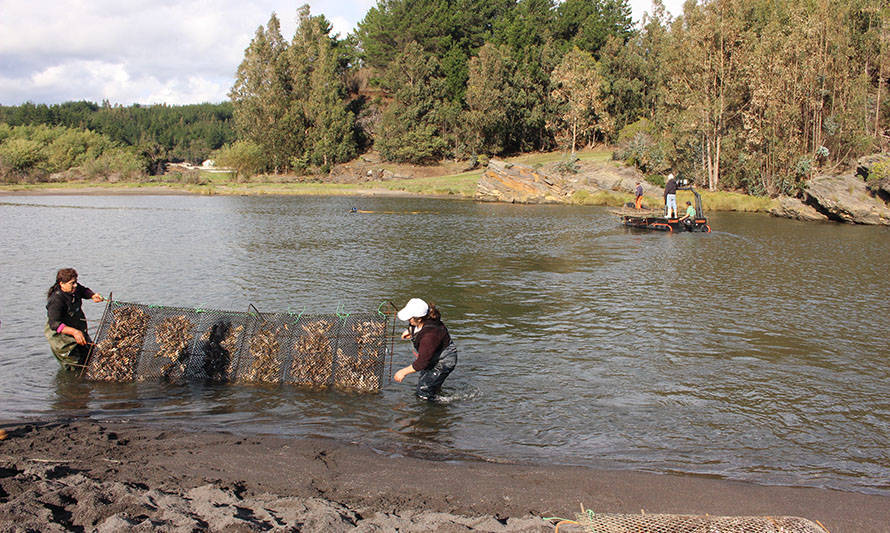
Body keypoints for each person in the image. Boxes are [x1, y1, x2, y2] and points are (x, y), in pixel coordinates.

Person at [393, 298, 457, 400]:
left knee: (423, 391)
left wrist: (402, 372)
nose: (408, 321)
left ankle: (433, 411)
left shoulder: (430, 335)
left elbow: (422, 363)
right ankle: (436, 393)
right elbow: (415, 327)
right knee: (427, 383)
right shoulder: (425, 318)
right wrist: (410, 331)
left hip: (444, 360)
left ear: (419, 318)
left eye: (410, 319)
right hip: (432, 355)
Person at [45, 268, 105, 370]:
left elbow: (84, 290)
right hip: (61, 338)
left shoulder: (74, 289)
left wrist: (93, 295)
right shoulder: (56, 300)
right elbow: (54, 324)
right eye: (72, 283)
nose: (75, 285)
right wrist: (75, 332)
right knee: (75, 365)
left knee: (91, 355)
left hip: (77, 329)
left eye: (76, 282)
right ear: (61, 284)